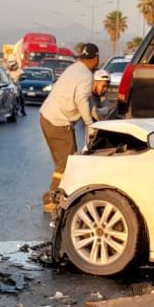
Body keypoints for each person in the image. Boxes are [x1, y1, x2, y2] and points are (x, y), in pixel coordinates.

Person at [38, 42, 100, 212]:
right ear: (95, 59)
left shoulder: (74, 69)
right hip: (58, 121)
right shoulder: (86, 75)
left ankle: (57, 195)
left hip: (47, 116)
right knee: (67, 163)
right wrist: (89, 124)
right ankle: (51, 200)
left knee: (62, 162)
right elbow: (81, 100)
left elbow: (84, 100)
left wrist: (95, 114)